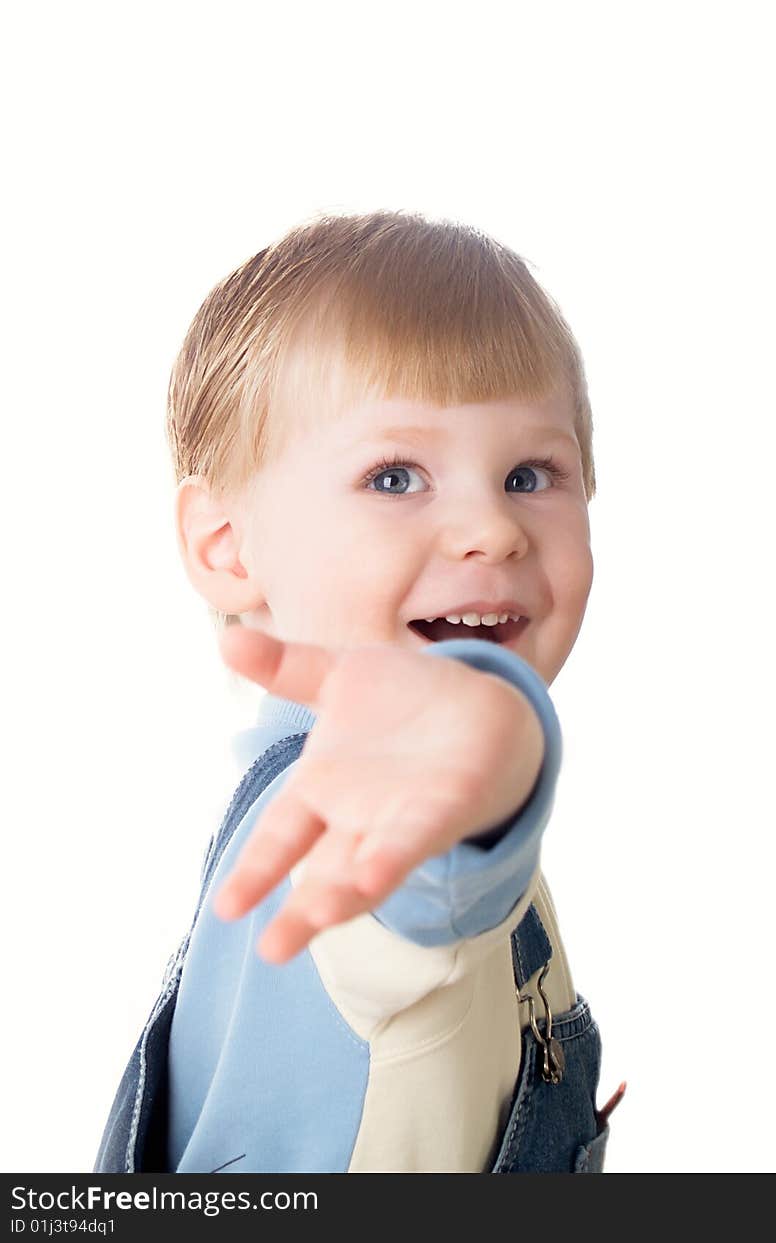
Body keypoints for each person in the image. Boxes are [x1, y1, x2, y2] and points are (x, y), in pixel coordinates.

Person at [93, 208, 624, 1175]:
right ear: (227, 548)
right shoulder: (361, 819)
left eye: (528, 473)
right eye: (394, 476)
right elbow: (426, 814)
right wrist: (487, 750)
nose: (490, 529)